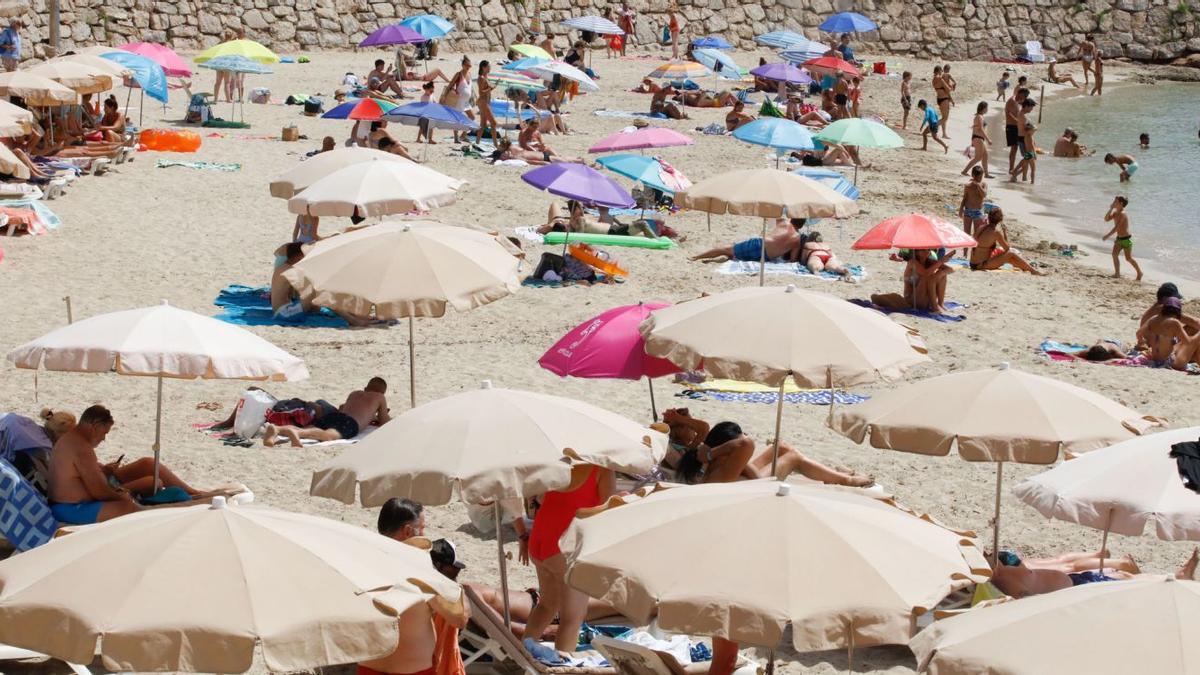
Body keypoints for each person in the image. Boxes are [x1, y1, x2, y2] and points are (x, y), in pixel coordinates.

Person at [47, 405, 233, 525]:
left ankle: (195, 495)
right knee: (129, 507)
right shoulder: (81, 448)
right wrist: (120, 495)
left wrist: (107, 477)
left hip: (80, 498)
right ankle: (191, 504)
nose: (104, 438)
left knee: (146, 466)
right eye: (104, 433)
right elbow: (98, 492)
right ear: (94, 426)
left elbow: (87, 478)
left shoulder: (75, 441)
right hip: (71, 508)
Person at [364, 501, 469, 675]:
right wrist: (451, 582)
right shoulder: (420, 569)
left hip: (369, 667)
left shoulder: (361, 560)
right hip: (412, 670)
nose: (424, 534)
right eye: (422, 528)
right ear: (407, 531)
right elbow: (459, 618)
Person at [520, 464, 615, 654]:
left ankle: (521, 654)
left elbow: (541, 497)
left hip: (540, 537)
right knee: (572, 618)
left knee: (547, 604)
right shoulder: (602, 469)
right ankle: (562, 667)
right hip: (565, 543)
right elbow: (608, 509)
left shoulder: (561, 462)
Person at [662, 410, 872, 486]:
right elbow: (748, 443)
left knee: (781, 446)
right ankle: (847, 480)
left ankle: (834, 474)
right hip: (757, 486)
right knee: (794, 457)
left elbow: (705, 429)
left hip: (747, 479)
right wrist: (710, 452)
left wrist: (710, 452)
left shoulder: (718, 463)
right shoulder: (714, 461)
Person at [990, 548, 1198, 598]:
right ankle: (1172, 578)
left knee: (1124, 579)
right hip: (1074, 592)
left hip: (1072, 586)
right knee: (1125, 581)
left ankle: (1173, 577)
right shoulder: (999, 579)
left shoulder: (995, 576)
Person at [262, 378, 391, 446]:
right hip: (350, 423)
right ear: (382, 392)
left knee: (311, 427)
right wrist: (377, 415)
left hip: (337, 415)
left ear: (365, 388)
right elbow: (385, 422)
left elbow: (342, 407)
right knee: (328, 435)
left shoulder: (355, 393)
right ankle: (296, 432)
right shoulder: (379, 397)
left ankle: (278, 429)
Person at [690, 217, 806, 263]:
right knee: (731, 254)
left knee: (726, 249)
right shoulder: (797, 239)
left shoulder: (784, 222)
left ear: (791, 219)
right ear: (801, 226)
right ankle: (717, 258)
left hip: (759, 245)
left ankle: (695, 257)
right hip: (765, 258)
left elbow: (771, 215)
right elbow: (793, 260)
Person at [871, 248, 952, 313]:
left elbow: (950, 269)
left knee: (942, 275)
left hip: (924, 301)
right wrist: (941, 261)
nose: (927, 252)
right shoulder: (912, 262)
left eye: (928, 249)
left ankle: (940, 304)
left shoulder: (930, 261)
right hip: (912, 300)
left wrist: (938, 275)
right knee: (927, 277)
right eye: (923, 250)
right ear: (916, 252)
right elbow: (925, 273)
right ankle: (935, 307)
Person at [969, 208, 1044, 274]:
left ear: (989, 217)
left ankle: (1027, 269)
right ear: (1000, 219)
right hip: (981, 265)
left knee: (1009, 258)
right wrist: (1004, 233)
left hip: (972, 263)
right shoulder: (996, 232)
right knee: (1011, 253)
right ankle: (1033, 271)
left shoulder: (981, 227)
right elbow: (1007, 249)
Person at [1102, 195, 1142, 280]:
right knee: (1114, 254)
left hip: (1127, 239)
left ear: (1121, 203)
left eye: (1115, 202)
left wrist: (1107, 236)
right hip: (1119, 238)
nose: (1113, 203)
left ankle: (1139, 272)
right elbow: (1106, 219)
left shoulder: (1123, 214)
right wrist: (1110, 209)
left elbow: (1117, 228)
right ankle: (1117, 274)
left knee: (1128, 258)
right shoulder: (1116, 212)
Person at [444, 57, 475, 144]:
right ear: (462, 65)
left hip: (466, 101)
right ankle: (456, 137)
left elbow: (470, 88)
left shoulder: (470, 74)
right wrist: (444, 96)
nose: (468, 67)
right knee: (457, 118)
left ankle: (463, 134)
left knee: (472, 117)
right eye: (467, 65)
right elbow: (450, 85)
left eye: (470, 65)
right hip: (458, 100)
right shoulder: (458, 74)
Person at [962, 102, 993, 177]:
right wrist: (988, 139)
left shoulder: (981, 116)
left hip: (979, 138)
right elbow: (981, 129)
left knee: (985, 155)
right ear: (983, 108)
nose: (987, 109)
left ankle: (986, 174)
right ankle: (964, 171)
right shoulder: (979, 116)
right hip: (977, 138)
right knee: (978, 157)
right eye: (986, 108)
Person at [958, 166, 988, 243]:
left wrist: (978, 185)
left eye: (981, 177)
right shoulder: (968, 186)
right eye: (978, 177)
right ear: (973, 176)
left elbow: (984, 195)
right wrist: (961, 209)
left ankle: (973, 254)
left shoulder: (983, 184)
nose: (980, 179)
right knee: (966, 234)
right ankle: (964, 254)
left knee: (976, 235)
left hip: (978, 212)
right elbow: (965, 198)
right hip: (968, 211)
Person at [475, 61, 501, 146]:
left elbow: (488, 88)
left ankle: (477, 142)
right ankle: (496, 144)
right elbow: (481, 92)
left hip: (486, 102)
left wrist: (494, 85)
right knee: (493, 123)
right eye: (489, 67)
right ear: (484, 67)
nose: (490, 68)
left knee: (483, 125)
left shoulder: (486, 77)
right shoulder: (481, 78)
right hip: (483, 102)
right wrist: (491, 88)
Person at [1005, 87, 1030, 173]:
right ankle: (1011, 168)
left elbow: (1021, 112)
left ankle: (1022, 168)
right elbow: (1009, 115)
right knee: (1014, 148)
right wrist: (1020, 122)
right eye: (1023, 96)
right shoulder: (1012, 101)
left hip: (1017, 127)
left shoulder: (1019, 101)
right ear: (1019, 93)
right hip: (1011, 127)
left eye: (1025, 97)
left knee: (1025, 147)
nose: (1023, 98)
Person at [1010, 119, 1038, 184]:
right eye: (1033, 130)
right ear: (1029, 130)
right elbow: (1032, 146)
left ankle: (1014, 174)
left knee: (1023, 166)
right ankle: (1032, 182)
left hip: (1027, 153)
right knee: (1033, 169)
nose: (1034, 132)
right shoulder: (1030, 137)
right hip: (1030, 154)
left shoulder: (1026, 136)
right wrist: (1035, 154)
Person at [932, 65, 953, 140]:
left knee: (943, 117)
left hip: (939, 98)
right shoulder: (940, 79)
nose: (942, 72)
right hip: (944, 99)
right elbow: (948, 89)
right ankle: (932, 127)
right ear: (939, 71)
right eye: (941, 71)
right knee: (945, 118)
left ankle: (944, 134)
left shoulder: (934, 79)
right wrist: (951, 87)